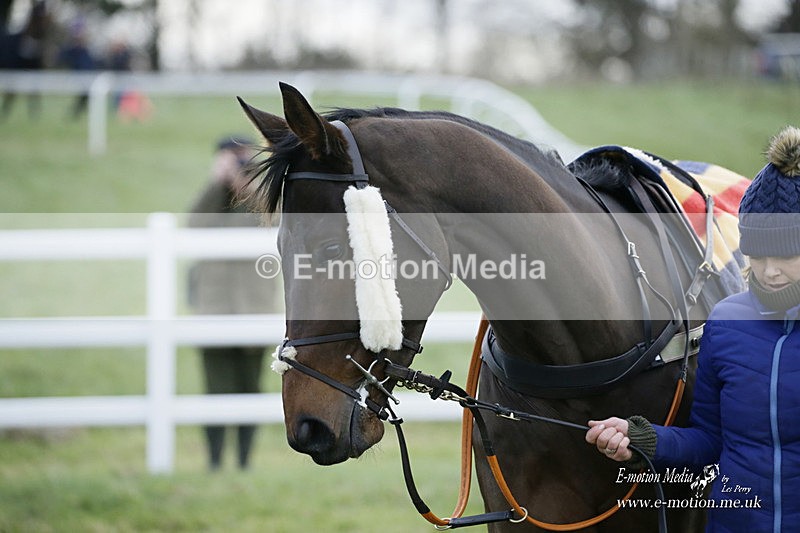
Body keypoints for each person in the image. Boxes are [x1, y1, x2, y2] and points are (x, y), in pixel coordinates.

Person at [585, 126, 800, 532]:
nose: (770, 271)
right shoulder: (727, 322)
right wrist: (641, 439)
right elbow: (709, 441)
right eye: (759, 253)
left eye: (787, 256)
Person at [187, 136, 278, 470]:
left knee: (250, 390)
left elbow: (273, 224)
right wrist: (217, 183)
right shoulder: (211, 199)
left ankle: (244, 461)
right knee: (215, 390)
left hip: (255, 311)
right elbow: (193, 226)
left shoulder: (264, 198)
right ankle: (214, 461)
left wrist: (249, 186)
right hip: (214, 310)